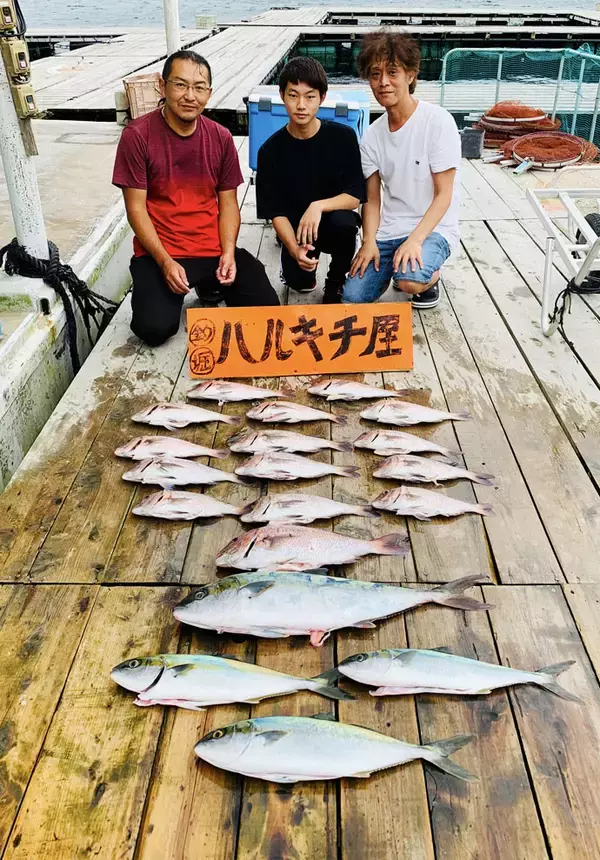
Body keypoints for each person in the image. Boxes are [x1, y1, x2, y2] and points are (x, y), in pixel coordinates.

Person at [112, 50, 279, 347]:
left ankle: (209, 285)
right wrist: (164, 262)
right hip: (161, 252)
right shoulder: (137, 136)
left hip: (210, 249)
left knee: (267, 309)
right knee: (153, 329)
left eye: (199, 87)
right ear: (162, 88)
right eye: (180, 85)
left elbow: (228, 204)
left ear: (209, 93)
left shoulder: (220, 137)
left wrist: (228, 252)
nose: (190, 95)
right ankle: (177, 288)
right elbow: (135, 208)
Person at [344, 32, 461, 309]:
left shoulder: (438, 122)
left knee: (410, 279)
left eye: (392, 72)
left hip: (433, 228)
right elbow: (372, 200)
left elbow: (444, 195)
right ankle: (400, 262)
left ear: (410, 75)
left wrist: (415, 240)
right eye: (375, 74)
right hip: (390, 229)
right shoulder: (372, 136)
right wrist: (369, 241)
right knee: (353, 297)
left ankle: (431, 277)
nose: (383, 82)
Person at [256, 57, 365, 304]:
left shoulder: (343, 137)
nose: (301, 105)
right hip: (297, 230)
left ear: (322, 98)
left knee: (345, 225)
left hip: (332, 220)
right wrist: (295, 250)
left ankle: (336, 282)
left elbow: (354, 196)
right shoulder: (269, 151)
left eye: (310, 96)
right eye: (293, 95)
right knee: (300, 285)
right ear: (282, 95)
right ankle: (297, 265)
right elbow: (275, 212)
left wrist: (317, 206)